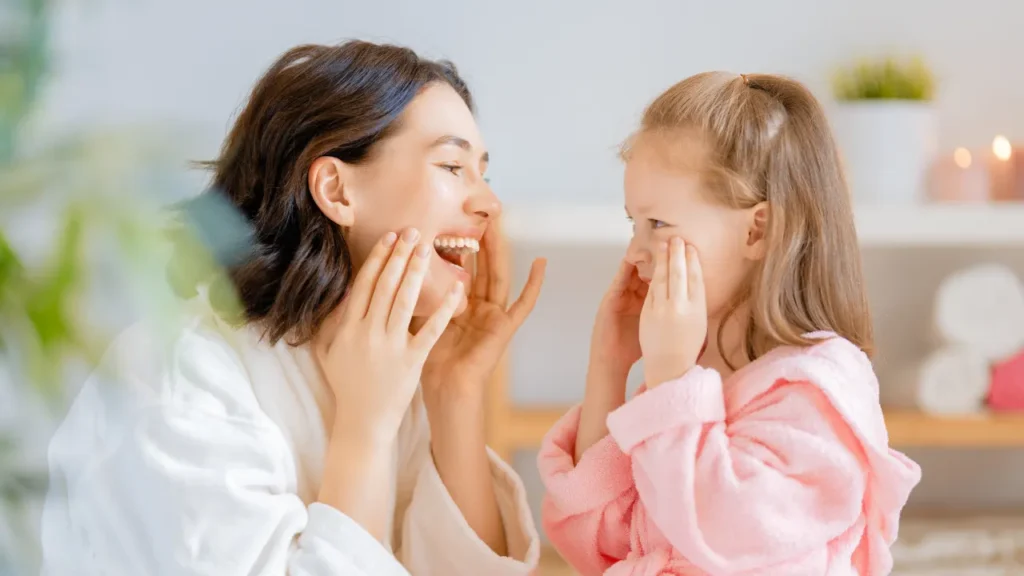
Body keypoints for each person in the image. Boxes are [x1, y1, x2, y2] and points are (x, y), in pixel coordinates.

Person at [40, 40, 545, 576]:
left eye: (483, 174)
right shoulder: (179, 379)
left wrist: (454, 392)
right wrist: (365, 429)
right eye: (452, 166)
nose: (488, 203)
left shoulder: (389, 364)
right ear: (336, 190)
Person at [538, 72, 922, 575]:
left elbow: (727, 534)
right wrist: (609, 366)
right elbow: (598, 542)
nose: (635, 252)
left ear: (757, 229)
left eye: (658, 224)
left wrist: (672, 379)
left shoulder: (820, 390)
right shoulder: (681, 389)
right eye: (633, 223)